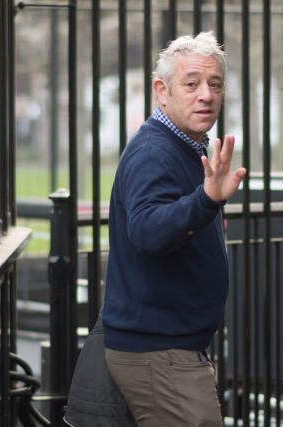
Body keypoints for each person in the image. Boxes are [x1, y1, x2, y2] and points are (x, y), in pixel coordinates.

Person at [101, 31, 246, 427]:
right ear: (161, 92)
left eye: (215, 84)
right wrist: (207, 200)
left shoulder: (188, 145)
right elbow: (147, 231)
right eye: (192, 83)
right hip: (159, 351)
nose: (207, 95)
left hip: (171, 348)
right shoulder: (155, 150)